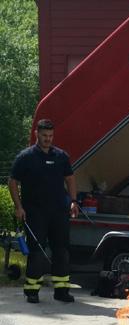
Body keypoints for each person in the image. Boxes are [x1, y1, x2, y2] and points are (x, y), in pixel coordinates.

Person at [8, 119, 79, 304]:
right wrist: (18, 207)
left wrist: (73, 201)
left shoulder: (61, 156)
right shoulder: (25, 157)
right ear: (36, 134)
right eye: (44, 136)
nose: (48, 139)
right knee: (37, 252)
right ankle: (32, 291)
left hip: (59, 212)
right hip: (34, 213)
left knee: (61, 251)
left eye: (50, 136)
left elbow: (70, 178)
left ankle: (61, 291)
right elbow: (12, 181)